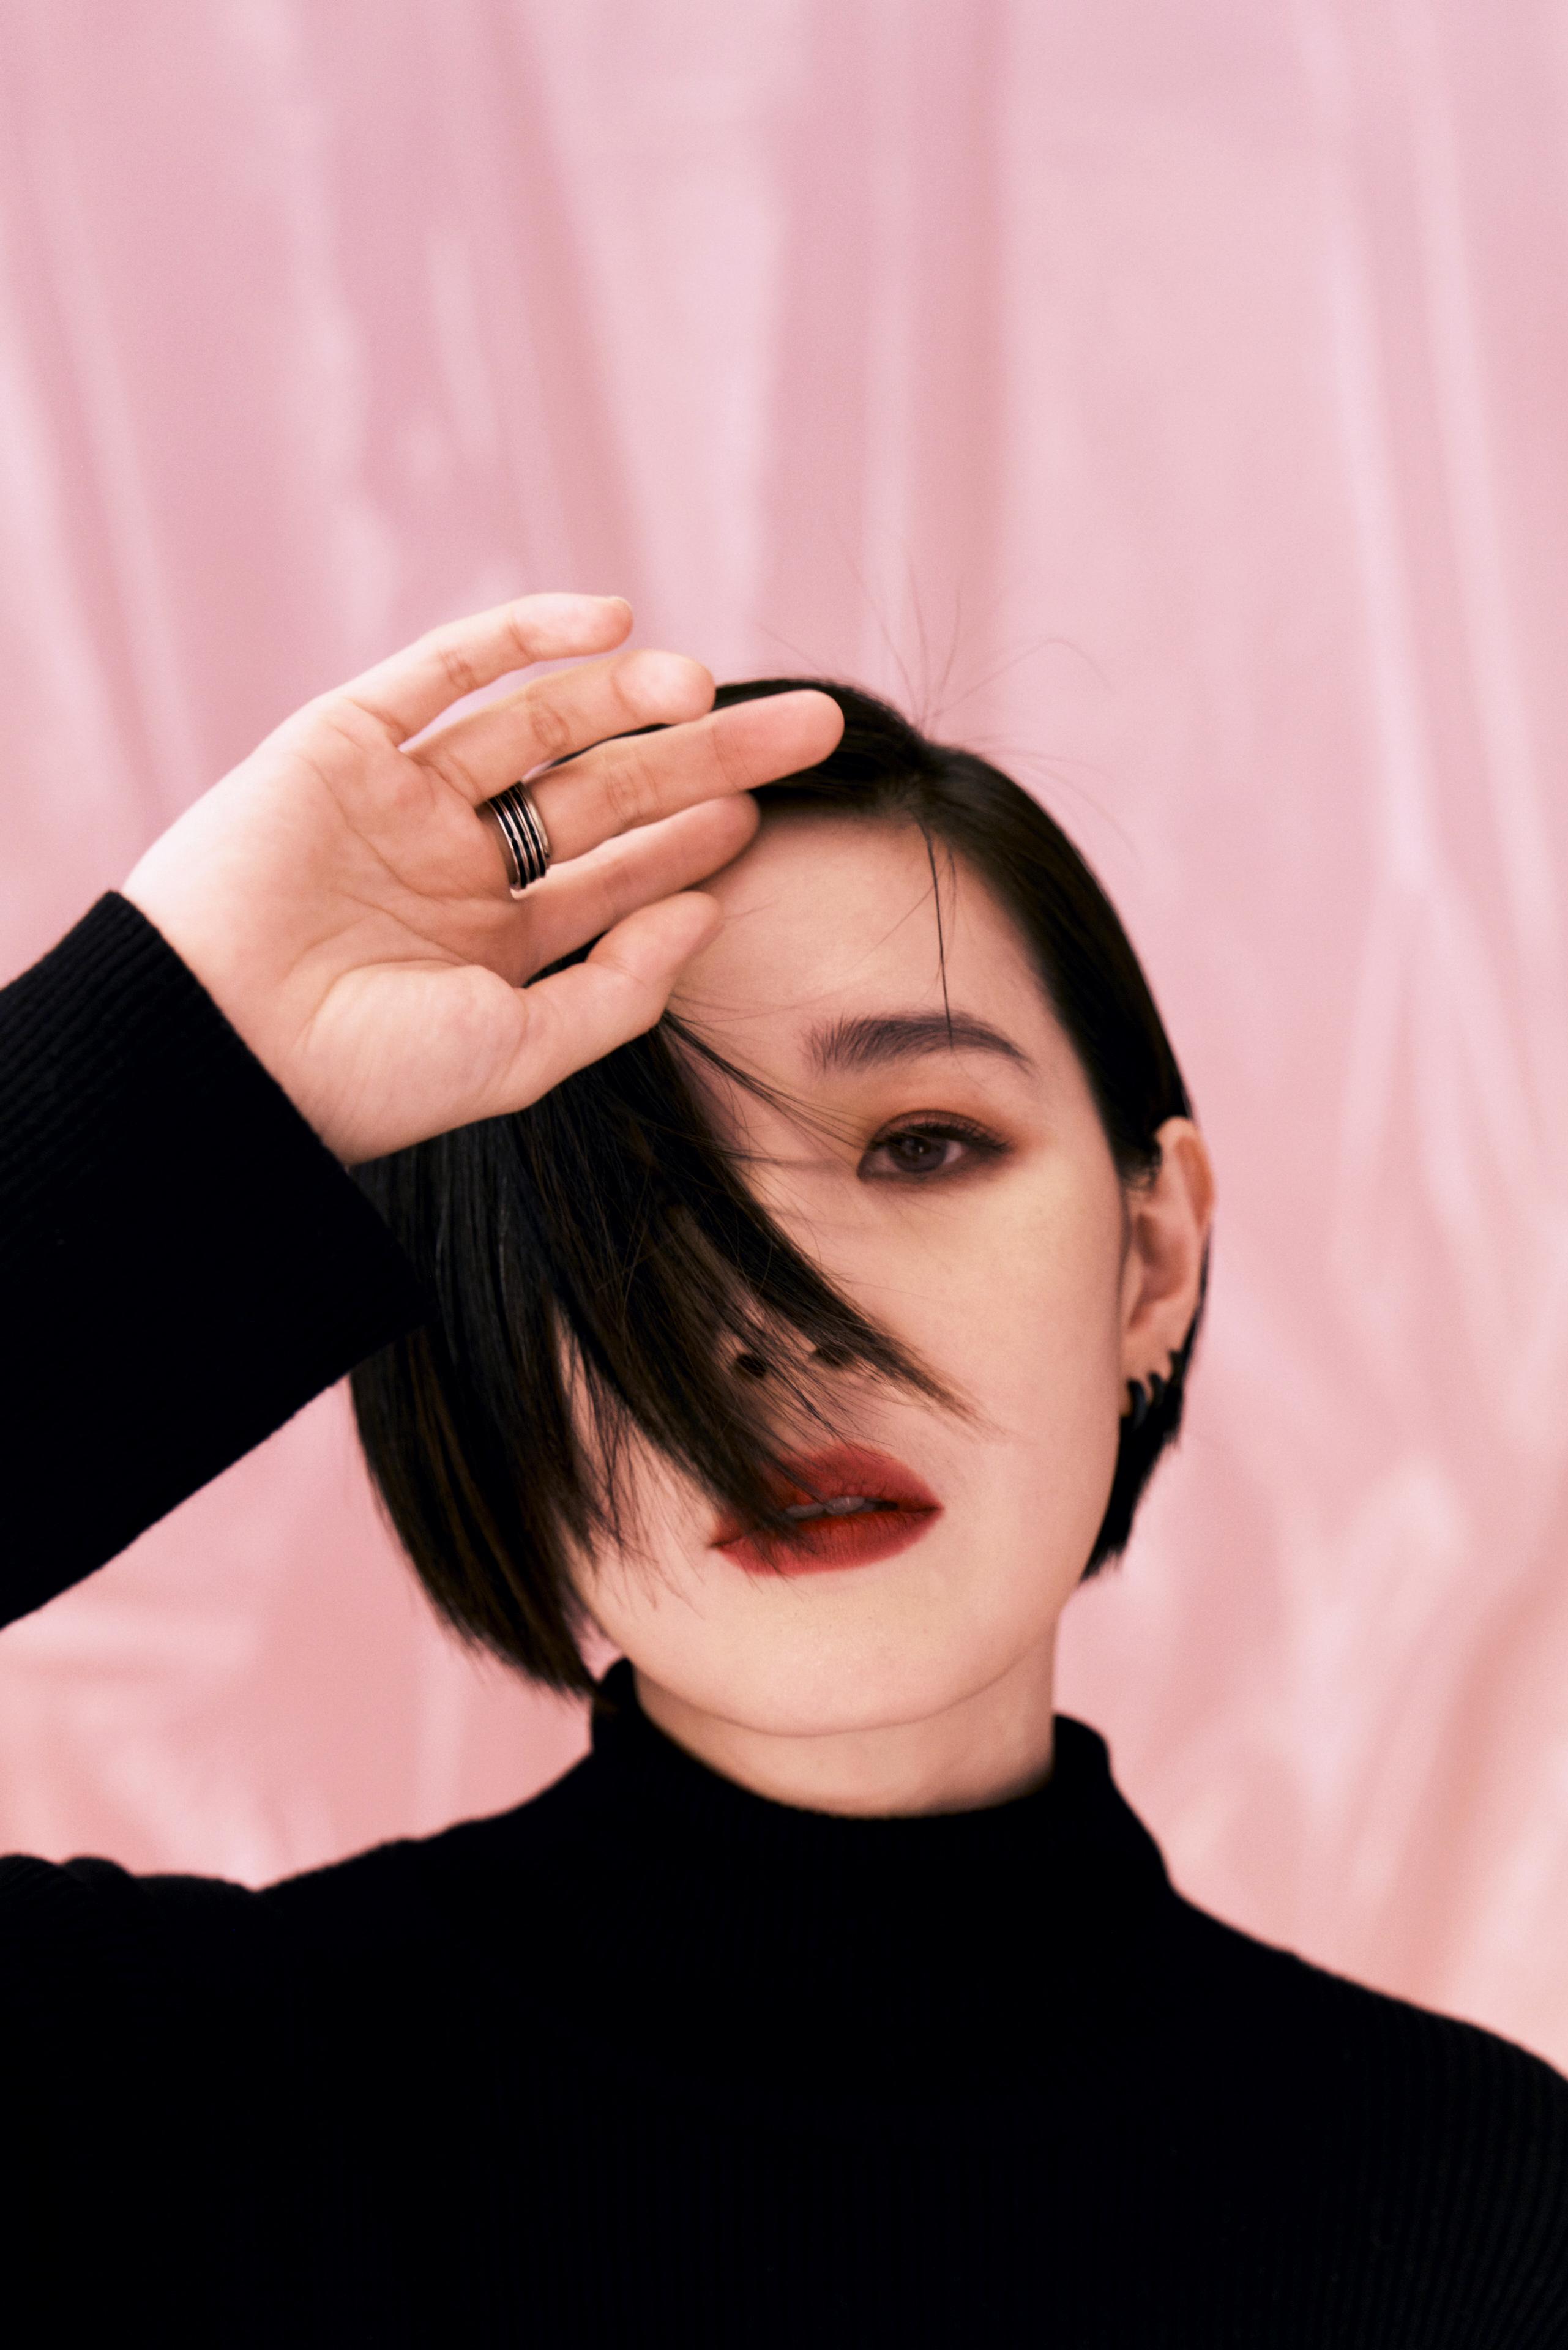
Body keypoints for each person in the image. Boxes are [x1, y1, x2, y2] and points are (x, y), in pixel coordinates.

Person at [2, 592, 1563, 2346]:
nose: (778, 1323)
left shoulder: (1498, 2222)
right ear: (463, 1331)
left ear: (1152, 1256)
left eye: (922, 1143)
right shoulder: (137, 2127)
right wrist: (178, 1040)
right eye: (635, 1202)